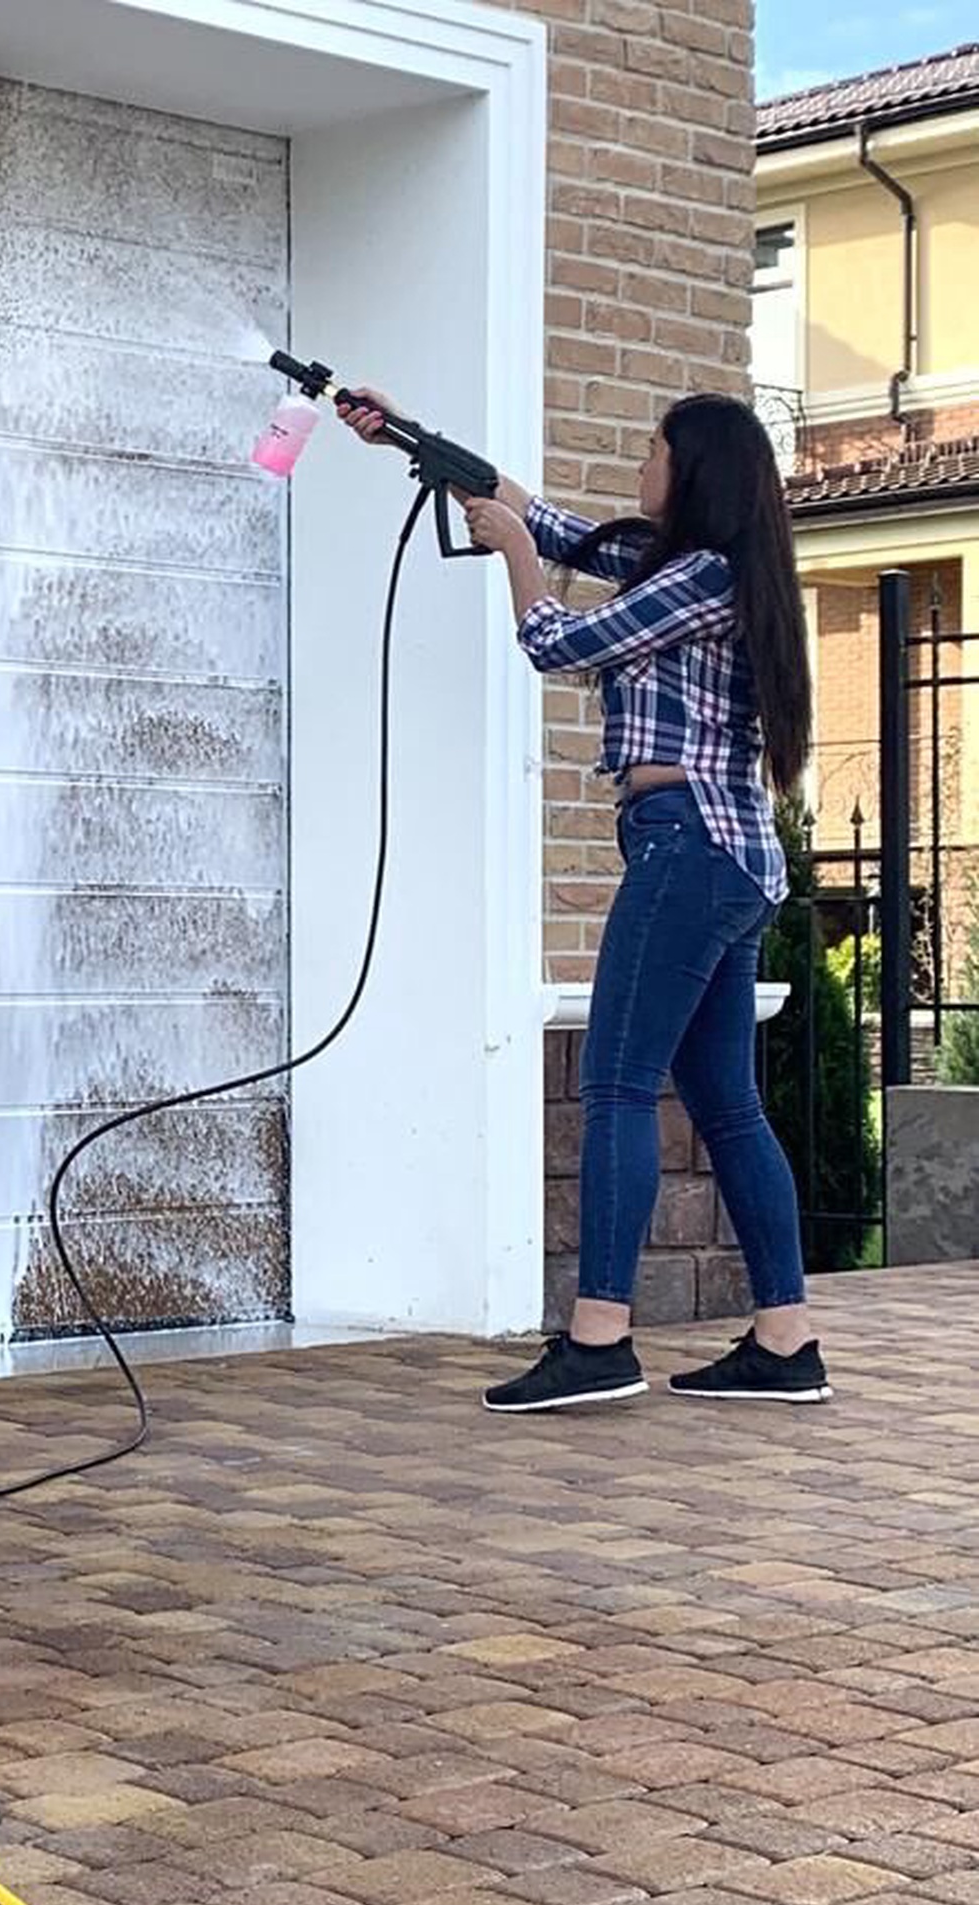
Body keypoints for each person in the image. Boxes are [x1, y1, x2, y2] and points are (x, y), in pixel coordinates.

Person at [341, 389, 827, 1410]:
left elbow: (558, 642)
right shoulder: (691, 564)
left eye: (652, 451)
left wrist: (513, 554)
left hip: (689, 847)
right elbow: (560, 523)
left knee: (613, 1083)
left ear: (693, 472)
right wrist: (414, 441)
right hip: (725, 855)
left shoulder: (701, 575)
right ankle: (784, 1340)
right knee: (725, 1101)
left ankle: (599, 1336)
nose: (640, 466)